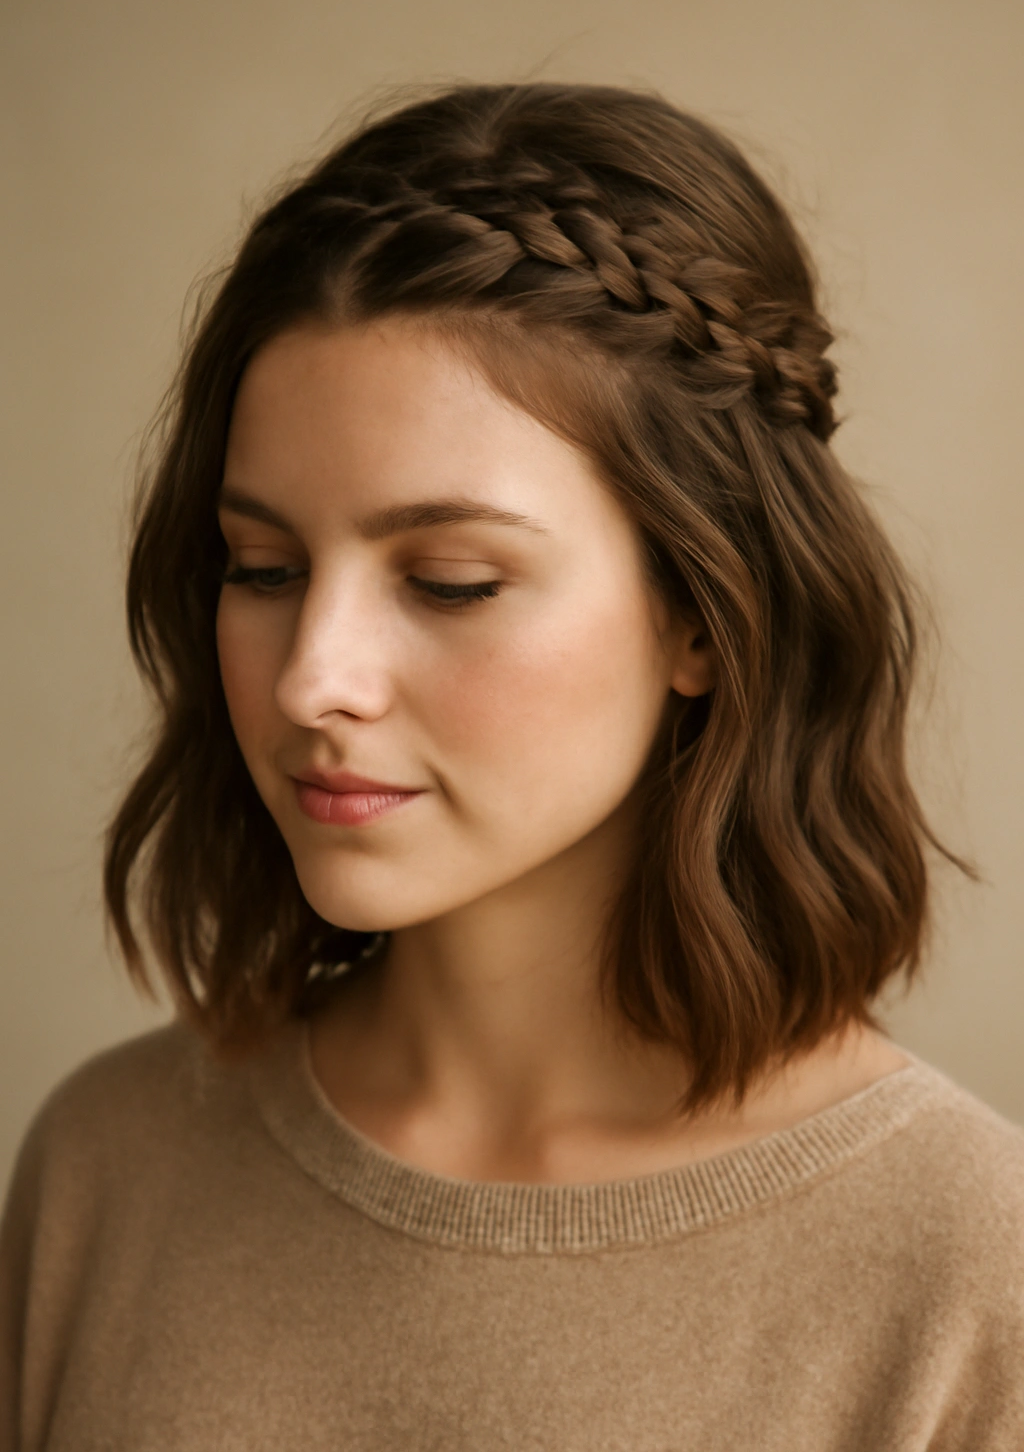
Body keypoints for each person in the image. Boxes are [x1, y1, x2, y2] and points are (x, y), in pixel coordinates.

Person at [1, 82, 1022, 1450]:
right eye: (264, 569)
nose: (313, 676)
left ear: (703, 617)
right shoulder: (104, 1170)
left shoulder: (967, 1271)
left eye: (453, 581)